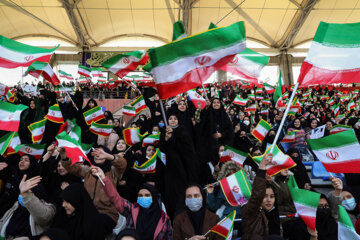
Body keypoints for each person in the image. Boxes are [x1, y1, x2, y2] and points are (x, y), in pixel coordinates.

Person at [90, 166, 172, 240]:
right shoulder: (132, 211)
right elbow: (115, 198)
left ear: (154, 198)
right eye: (140, 195)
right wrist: (103, 178)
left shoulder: (164, 219)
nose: (143, 198)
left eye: (147, 195)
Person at [59, 146, 127, 232]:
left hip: (107, 214)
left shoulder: (113, 171)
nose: (97, 155)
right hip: (88, 212)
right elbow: (72, 168)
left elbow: (122, 164)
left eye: (101, 153)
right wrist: (64, 158)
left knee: (95, 225)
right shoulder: (88, 170)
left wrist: (108, 156)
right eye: (95, 152)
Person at [241, 153, 281, 240]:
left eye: (272, 196)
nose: (269, 200)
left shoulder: (274, 214)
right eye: (265, 196)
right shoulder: (250, 212)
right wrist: (262, 167)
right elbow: (257, 196)